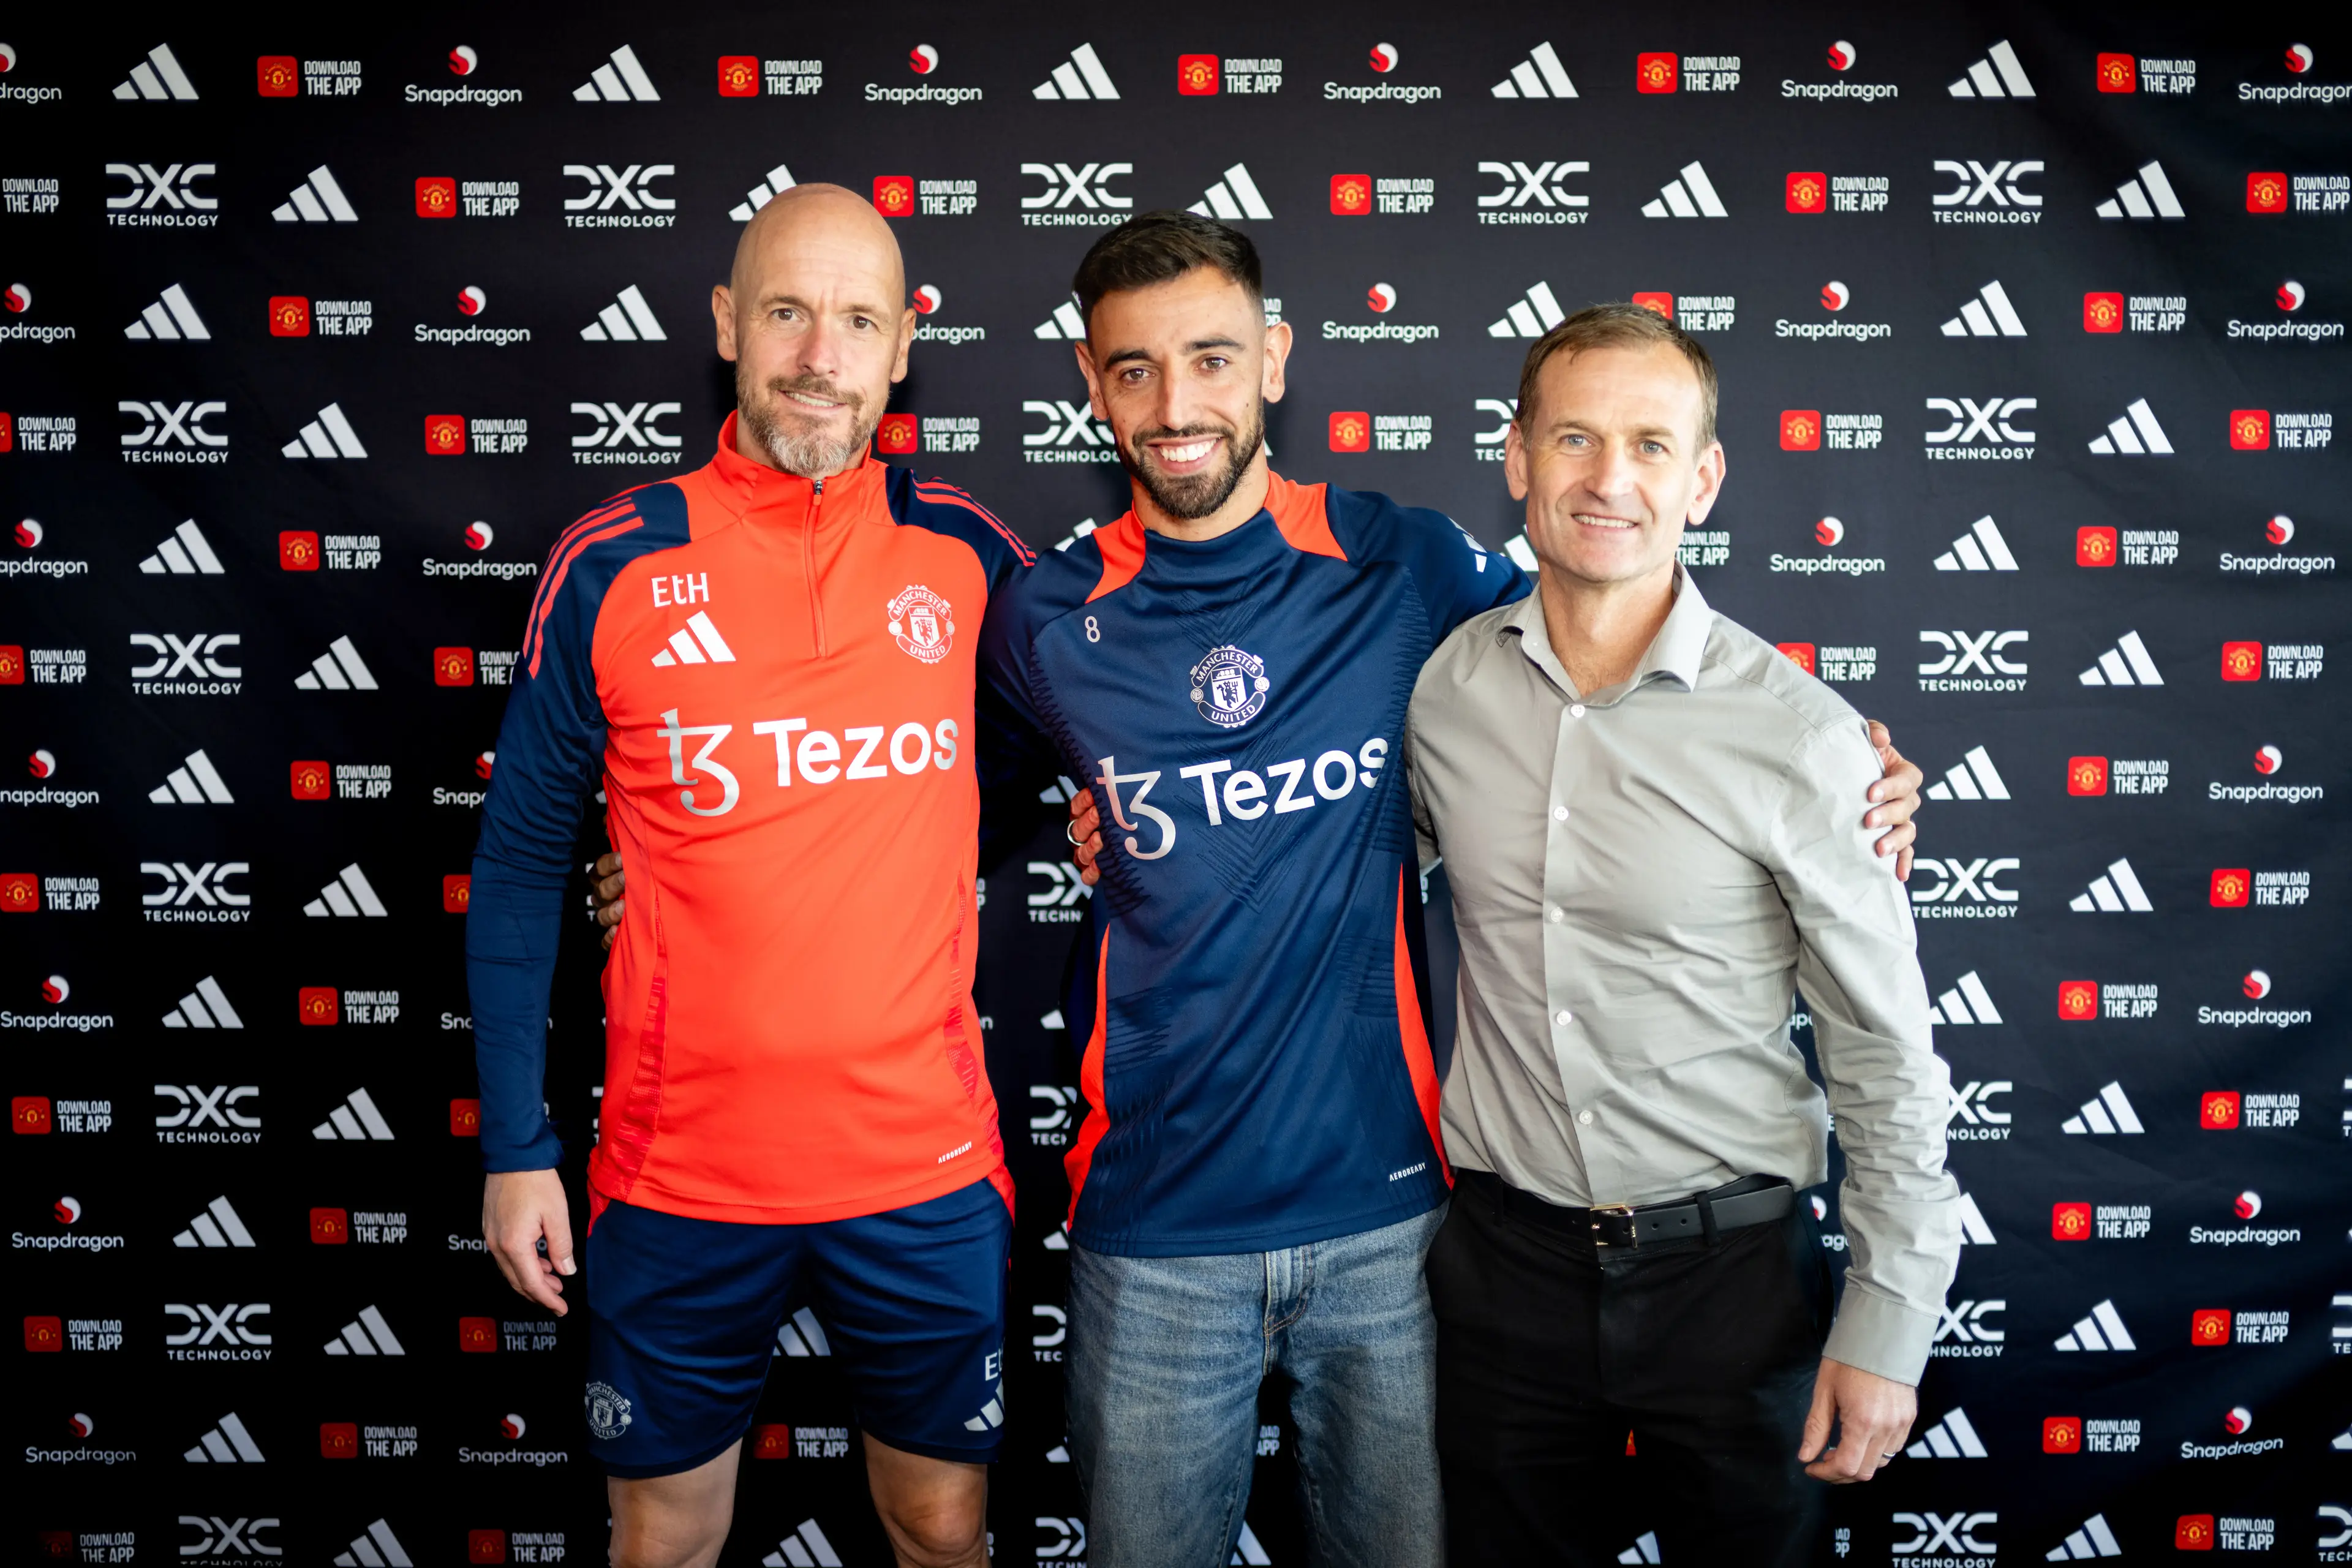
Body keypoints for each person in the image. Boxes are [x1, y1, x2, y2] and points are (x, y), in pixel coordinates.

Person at [1008, 218, 1925, 1568]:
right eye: (1133, 369)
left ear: (1272, 361)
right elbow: (913, 797)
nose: (1176, 400)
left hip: (1423, 1233)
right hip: (1231, 1237)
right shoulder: (1046, 618)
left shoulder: (1410, 571)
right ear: (1092, 385)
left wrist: (1870, 765)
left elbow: (1619, 615)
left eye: (1210, 356)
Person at [466, 184, 1033, 1568]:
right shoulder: (611, 560)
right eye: (786, 311)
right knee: (663, 1541)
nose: (818, 357)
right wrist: (515, 1145)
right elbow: (524, 860)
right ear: (728, 325)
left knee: (941, 1526)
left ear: (904, 346)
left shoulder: (969, 555)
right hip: (677, 1172)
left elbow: (1069, 759)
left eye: (856, 321)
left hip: (923, 1162)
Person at [1404, 302, 1961, 1566]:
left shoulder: (1804, 736)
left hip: (1737, 1284)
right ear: (1516, 457)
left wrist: (1887, 1321)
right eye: (1576, 439)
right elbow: (1326, 864)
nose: (1610, 479)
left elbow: (1886, 1053)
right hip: (1501, 1276)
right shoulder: (1446, 690)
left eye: (1653, 446)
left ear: (1703, 480)